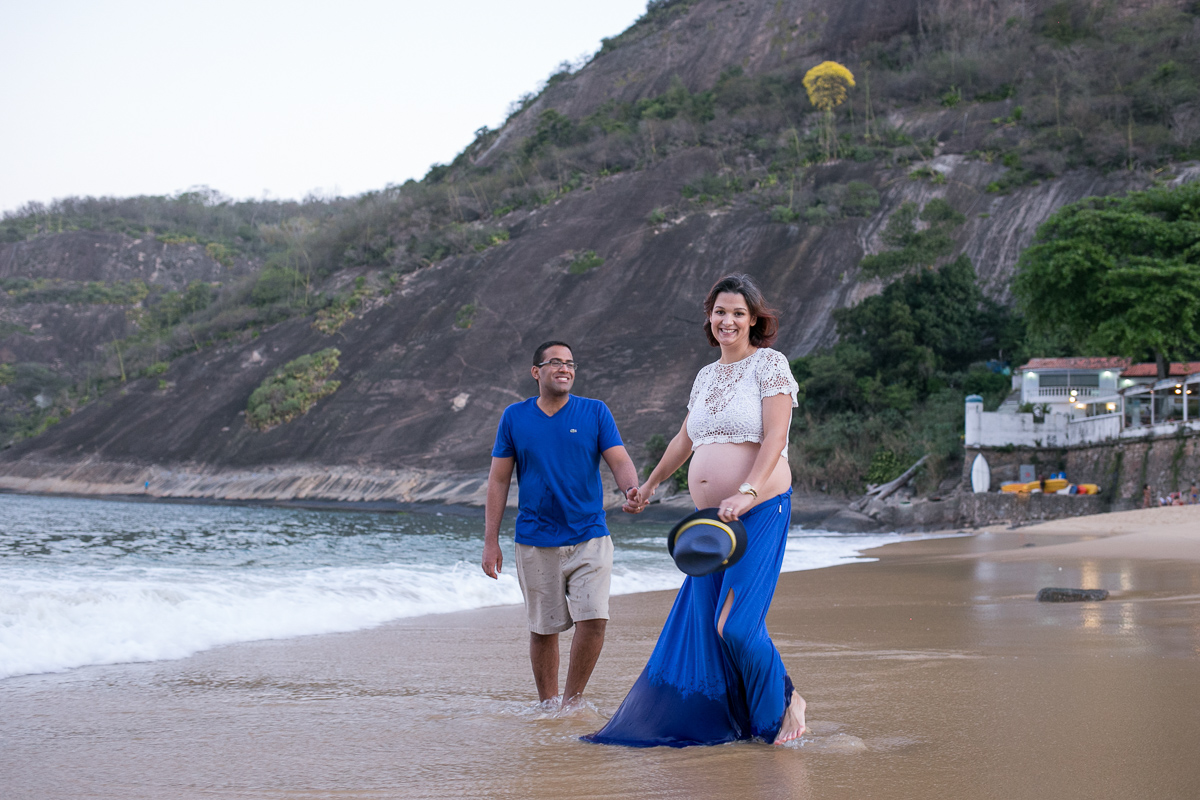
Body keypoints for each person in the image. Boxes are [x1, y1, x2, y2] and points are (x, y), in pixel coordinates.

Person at [586, 273, 806, 748]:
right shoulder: (706, 376)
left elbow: (775, 436)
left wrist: (748, 489)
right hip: (710, 525)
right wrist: (648, 485)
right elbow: (686, 438)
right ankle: (743, 717)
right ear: (710, 317)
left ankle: (783, 709)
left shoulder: (769, 364)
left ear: (753, 320)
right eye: (720, 311)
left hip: (759, 510)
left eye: (738, 313)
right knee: (713, 628)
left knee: (737, 626)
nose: (728, 320)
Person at [482, 341, 640, 708]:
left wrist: (631, 489)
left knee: (595, 618)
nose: (564, 368)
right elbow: (499, 481)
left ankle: (572, 701)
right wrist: (491, 541)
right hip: (535, 539)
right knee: (544, 628)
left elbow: (618, 460)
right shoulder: (515, 417)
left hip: (590, 535)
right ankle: (548, 704)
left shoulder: (595, 412)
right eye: (555, 362)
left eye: (570, 363)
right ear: (536, 372)